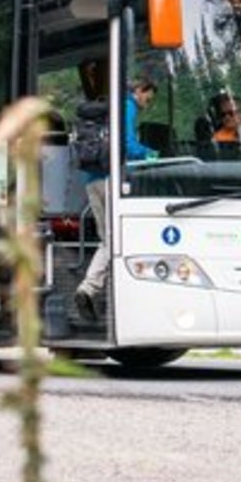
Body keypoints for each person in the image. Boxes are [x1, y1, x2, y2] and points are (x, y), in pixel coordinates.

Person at [75, 77, 158, 321]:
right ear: (139, 90)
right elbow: (128, 145)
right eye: (148, 98)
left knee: (107, 239)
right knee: (118, 239)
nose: (147, 104)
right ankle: (93, 289)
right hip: (112, 180)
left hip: (92, 180)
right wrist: (152, 154)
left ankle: (90, 289)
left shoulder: (106, 108)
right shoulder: (127, 106)